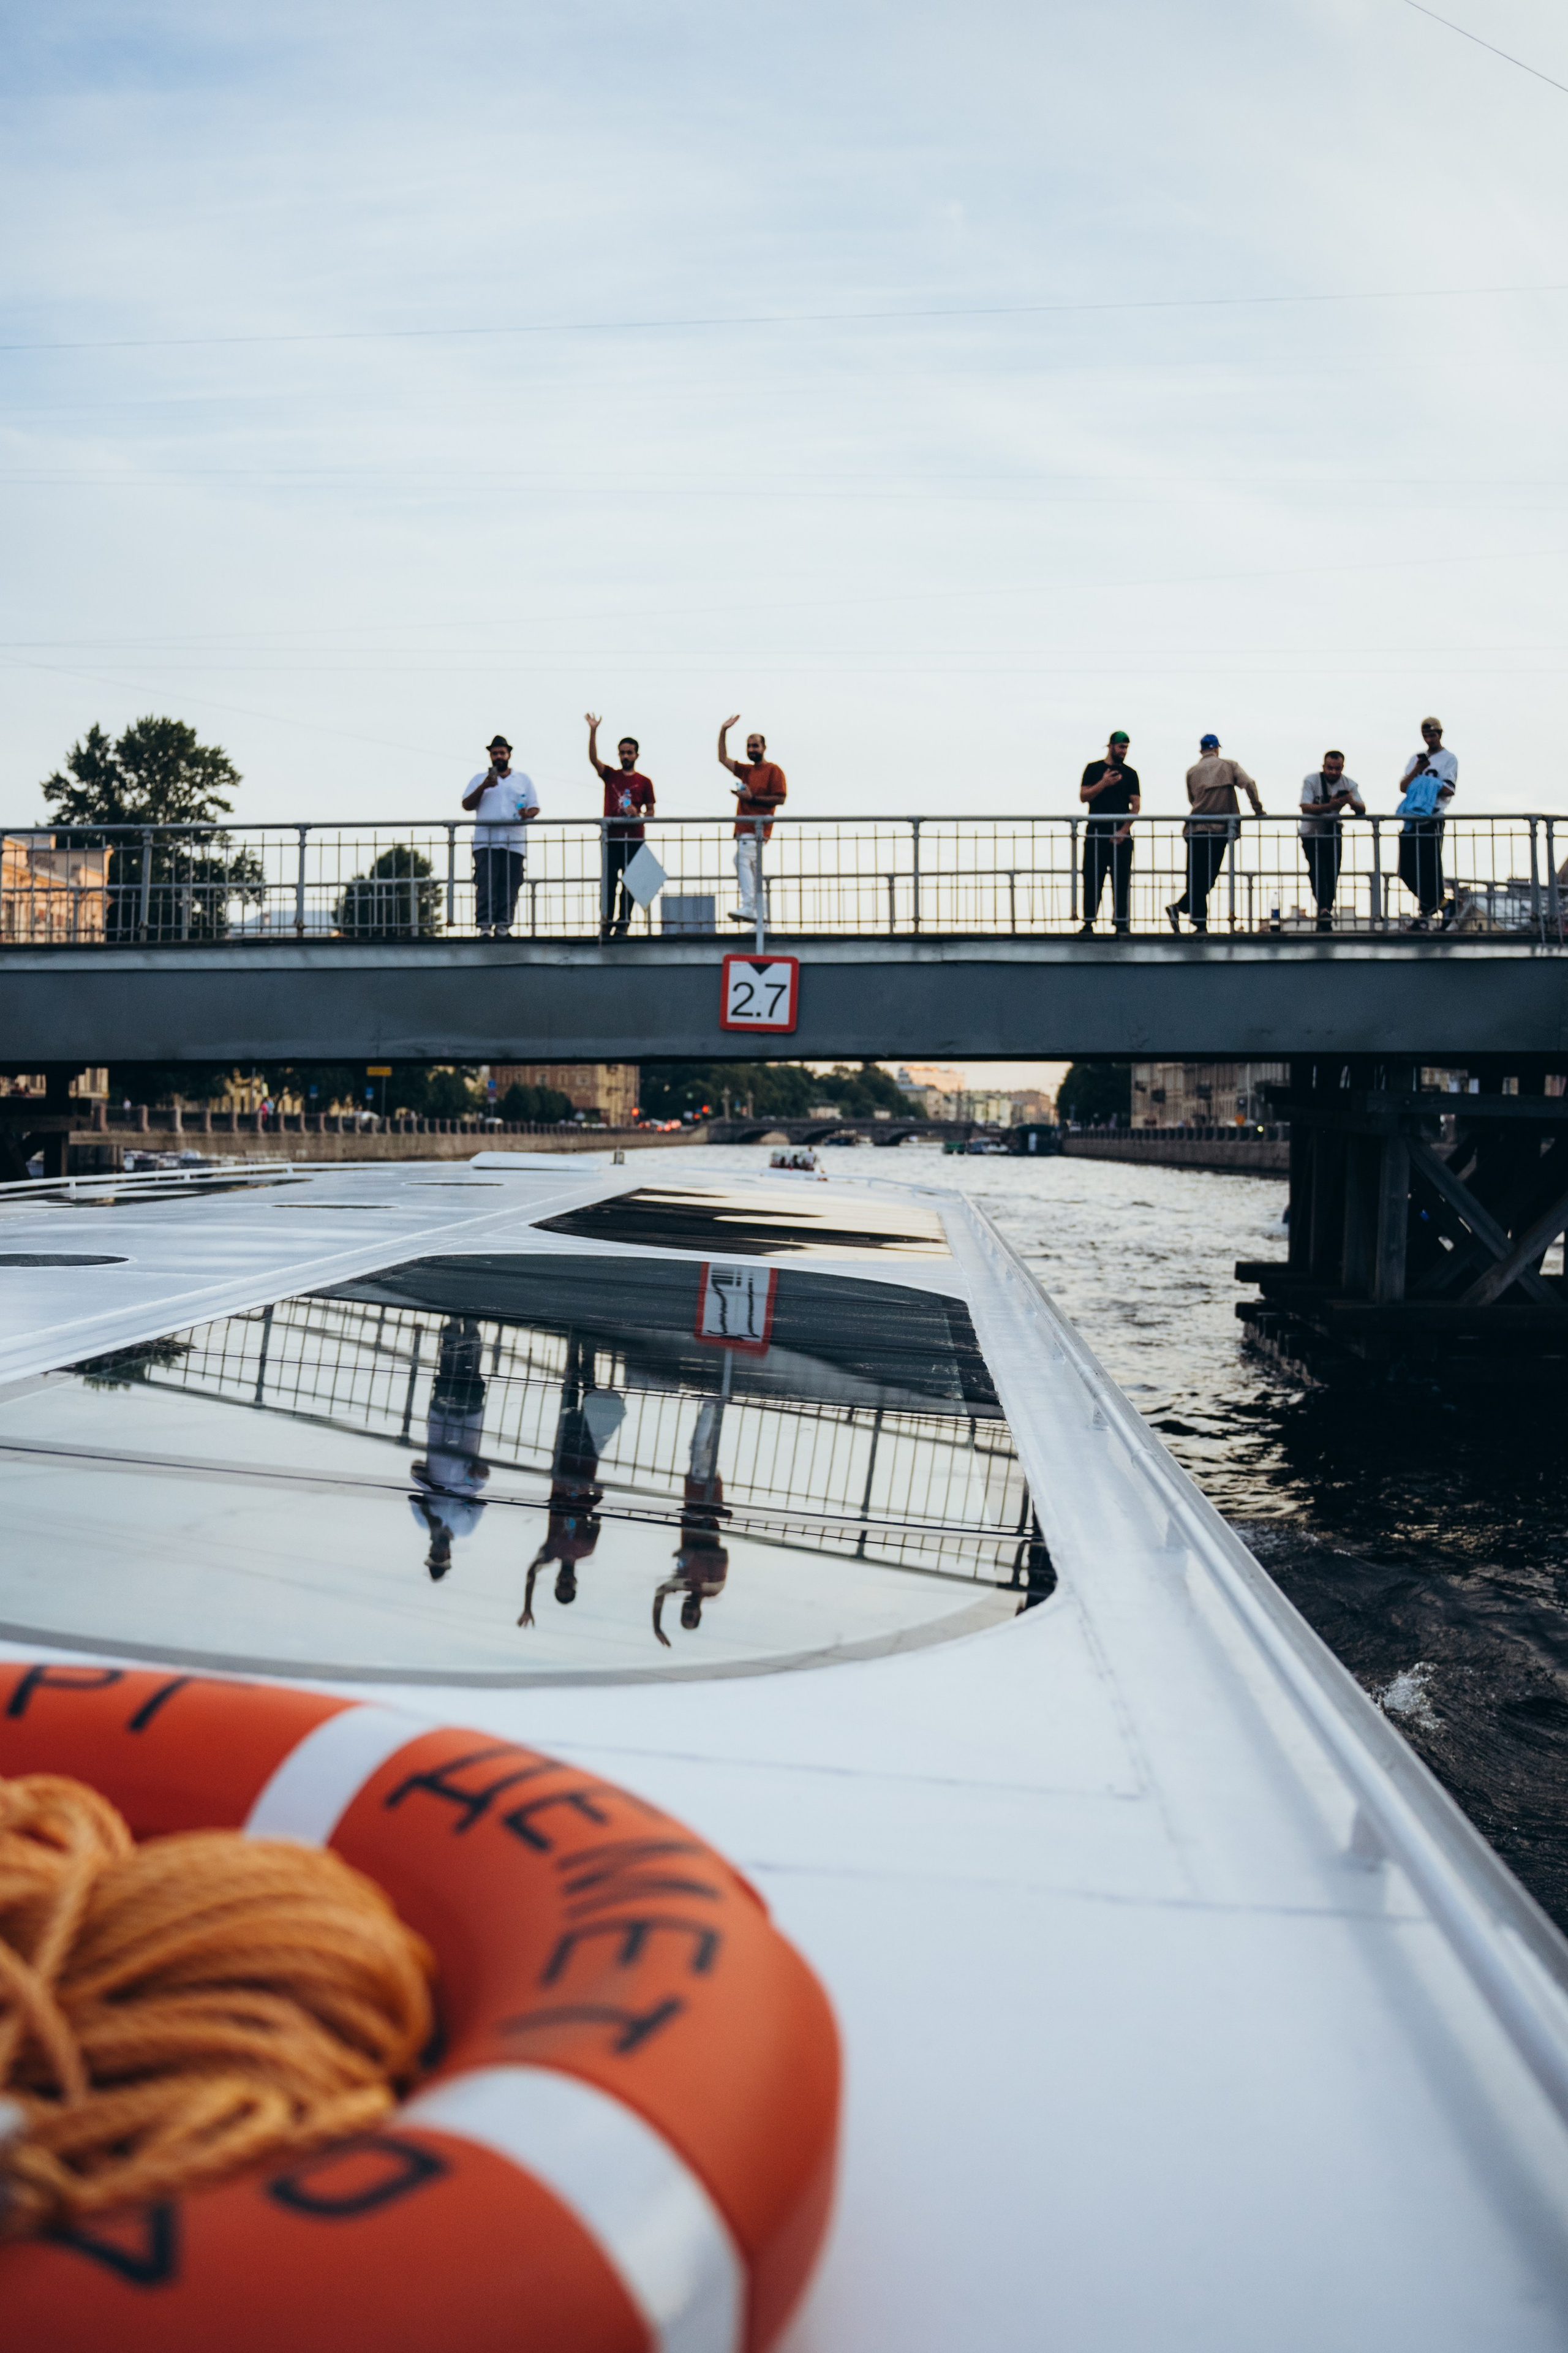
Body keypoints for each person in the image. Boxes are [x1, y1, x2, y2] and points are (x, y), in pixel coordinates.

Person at [409, 1317, 489, 1579]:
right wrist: (479, 1476)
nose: (439, 1554)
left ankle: (453, 1330)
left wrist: (432, 1522)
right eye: (441, 1558)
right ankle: (473, 1330)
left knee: (447, 1379)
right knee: (472, 1383)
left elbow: (416, 1481)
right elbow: (478, 1499)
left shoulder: (423, 1523)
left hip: (440, 1437)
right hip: (467, 1445)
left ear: (430, 1552)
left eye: (434, 1556)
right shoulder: (465, 1529)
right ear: (449, 1557)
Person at [652, 1392, 731, 1647]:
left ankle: (715, 1407)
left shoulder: (682, 1584)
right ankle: (712, 1405)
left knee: (704, 1452)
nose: (688, 1610)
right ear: (699, 1614)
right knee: (699, 1450)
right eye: (691, 1615)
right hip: (707, 1507)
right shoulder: (713, 1588)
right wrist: (694, 1553)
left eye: (684, 1614)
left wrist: (657, 1626)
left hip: (693, 1505)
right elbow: (722, 1556)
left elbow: (659, 1593)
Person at [1167, 733, 1265, 934]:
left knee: (1197, 877)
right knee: (1208, 878)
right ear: (1217, 749)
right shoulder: (1230, 766)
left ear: (1201, 750)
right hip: (1220, 829)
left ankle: (1192, 917)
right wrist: (1258, 809)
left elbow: (1192, 799)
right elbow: (1250, 784)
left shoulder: (1192, 772)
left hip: (1196, 829)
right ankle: (1187, 914)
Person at [462, 734, 538, 937]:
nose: (498, 757)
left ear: (509, 755)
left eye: (501, 753)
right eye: (494, 753)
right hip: (485, 842)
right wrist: (484, 786)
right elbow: (466, 805)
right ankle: (485, 927)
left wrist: (526, 814)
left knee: (510, 885)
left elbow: (534, 807)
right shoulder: (479, 779)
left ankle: (504, 926)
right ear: (490, 756)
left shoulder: (522, 780)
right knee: (486, 884)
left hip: (514, 843)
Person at [586, 714, 654, 939]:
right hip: (612, 838)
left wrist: (639, 814)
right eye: (622, 752)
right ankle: (606, 923)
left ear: (637, 755)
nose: (626, 756)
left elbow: (651, 812)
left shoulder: (645, 782)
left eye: (629, 752)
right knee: (609, 883)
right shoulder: (611, 776)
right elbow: (594, 760)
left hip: (634, 838)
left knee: (633, 883)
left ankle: (623, 924)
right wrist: (593, 730)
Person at [717, 716, 786, 926]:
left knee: (740, 861)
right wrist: (723, 731)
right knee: (754, 872)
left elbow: (780, 798)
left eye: (755, 745)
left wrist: (752, 798)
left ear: (764, 747)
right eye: (749, 746)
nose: (752, 749)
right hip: (745, 828)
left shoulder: (773, 770)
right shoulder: (746, 771)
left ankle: (749, 906)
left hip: (756, 828)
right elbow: (723, 758)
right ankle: (762, 919)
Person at [1395, 716, 1458, 931]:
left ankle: (1425, 914)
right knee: (1407, 869)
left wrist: (1427, 785)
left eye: (1433, 735)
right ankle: (1442, 904)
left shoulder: (1449, 759)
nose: (1429, 739)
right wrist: (1418, 772)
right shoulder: (1416, 758)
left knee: (1429, 868)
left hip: (1432, 817)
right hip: (1413, 818)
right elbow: (1403, 786)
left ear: (1440, 734)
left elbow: (1449, 789)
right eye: (1426, 735)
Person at [1078, 731, 1140, 934]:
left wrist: (1123, 831)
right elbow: (1084, 796)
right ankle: (1088, 921)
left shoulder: (1130, 774)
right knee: (1092, 877)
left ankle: (1121, 922)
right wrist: (1104, 783)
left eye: (1126, 748)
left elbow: (1136, 805)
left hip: (1121, 836)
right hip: (1096, 834)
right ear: (1111, 746)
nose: (1123, 751)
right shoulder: (1094, 769)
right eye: (1121, 747)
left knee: (1121, 879)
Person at [1298, 750, 1365, 932]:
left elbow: (1362, 808)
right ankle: (1324, 909)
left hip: (1333, 832)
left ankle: (1325, 911)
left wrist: (1350, 801)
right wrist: (1332, 806)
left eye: (1338, 769)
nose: (1334, 772)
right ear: (1323, 767)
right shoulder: (1312, 780)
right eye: (1330, 768)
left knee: (1332, 872)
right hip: (1311, 833)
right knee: (1318, 870)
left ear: (1343, 768)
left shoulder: (1349, 784)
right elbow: (1305, 807)